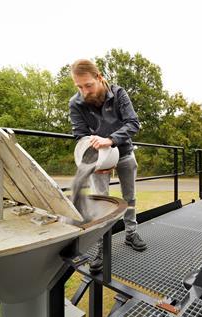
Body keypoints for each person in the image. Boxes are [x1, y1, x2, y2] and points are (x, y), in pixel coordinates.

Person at [69, 59, 147, 273]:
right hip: (97, 159)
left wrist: (110, 140)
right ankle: (102, 247)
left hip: (124, 153)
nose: (84, 91)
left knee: (129, 197)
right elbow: (80, 134)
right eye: (79, 86)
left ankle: (131, 233)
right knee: (101, 202)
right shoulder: (76, 103)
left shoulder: (118, 93)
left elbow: (133, 123)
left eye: (88, 85)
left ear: (99, 77)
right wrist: (96, 161)